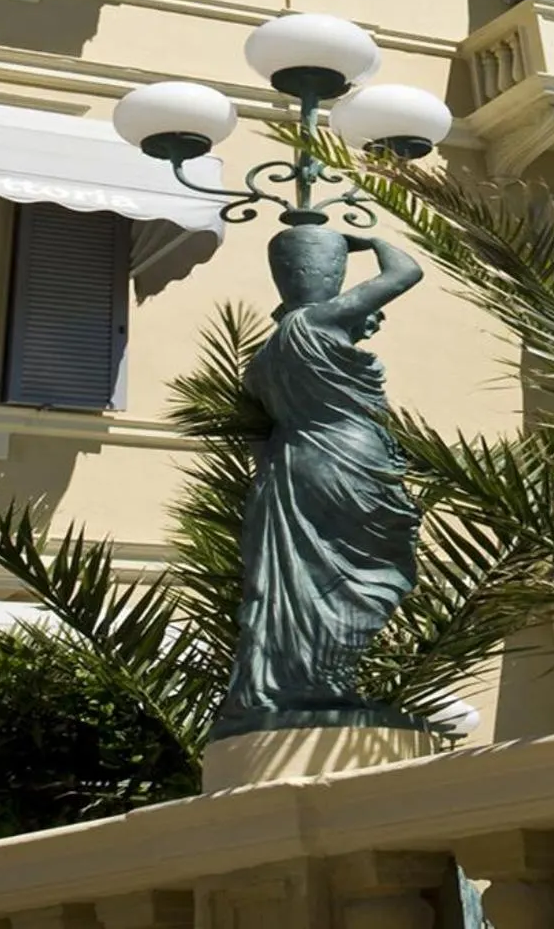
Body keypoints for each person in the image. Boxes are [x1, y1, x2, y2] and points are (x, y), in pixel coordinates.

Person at [215, 223, 425, 734]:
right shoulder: (319, 322)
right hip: (348, 457)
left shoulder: (263, 359)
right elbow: (406, 271)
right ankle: (323, 683)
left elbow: (257, 434)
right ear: (330, 272)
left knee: (298, 579)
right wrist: (369, 240)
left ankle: (303, 685)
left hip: (290, 467)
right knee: (359, 573)